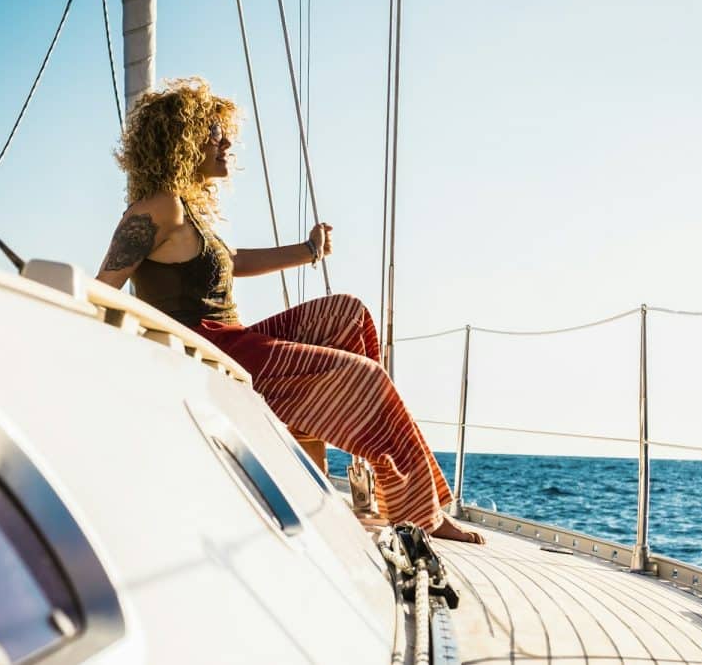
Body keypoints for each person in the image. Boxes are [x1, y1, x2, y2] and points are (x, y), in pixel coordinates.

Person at [95, 78, 482, 544]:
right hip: (210, 355)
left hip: (234, 343)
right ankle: (420, 512)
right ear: (184, 137)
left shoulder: (187, 211)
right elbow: (106, 288)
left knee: (348, 315)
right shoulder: (157, 209)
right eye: (214, 130)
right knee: (366, 379)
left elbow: (231, 262)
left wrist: (307, 250)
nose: (226, 142)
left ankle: (327, 451)